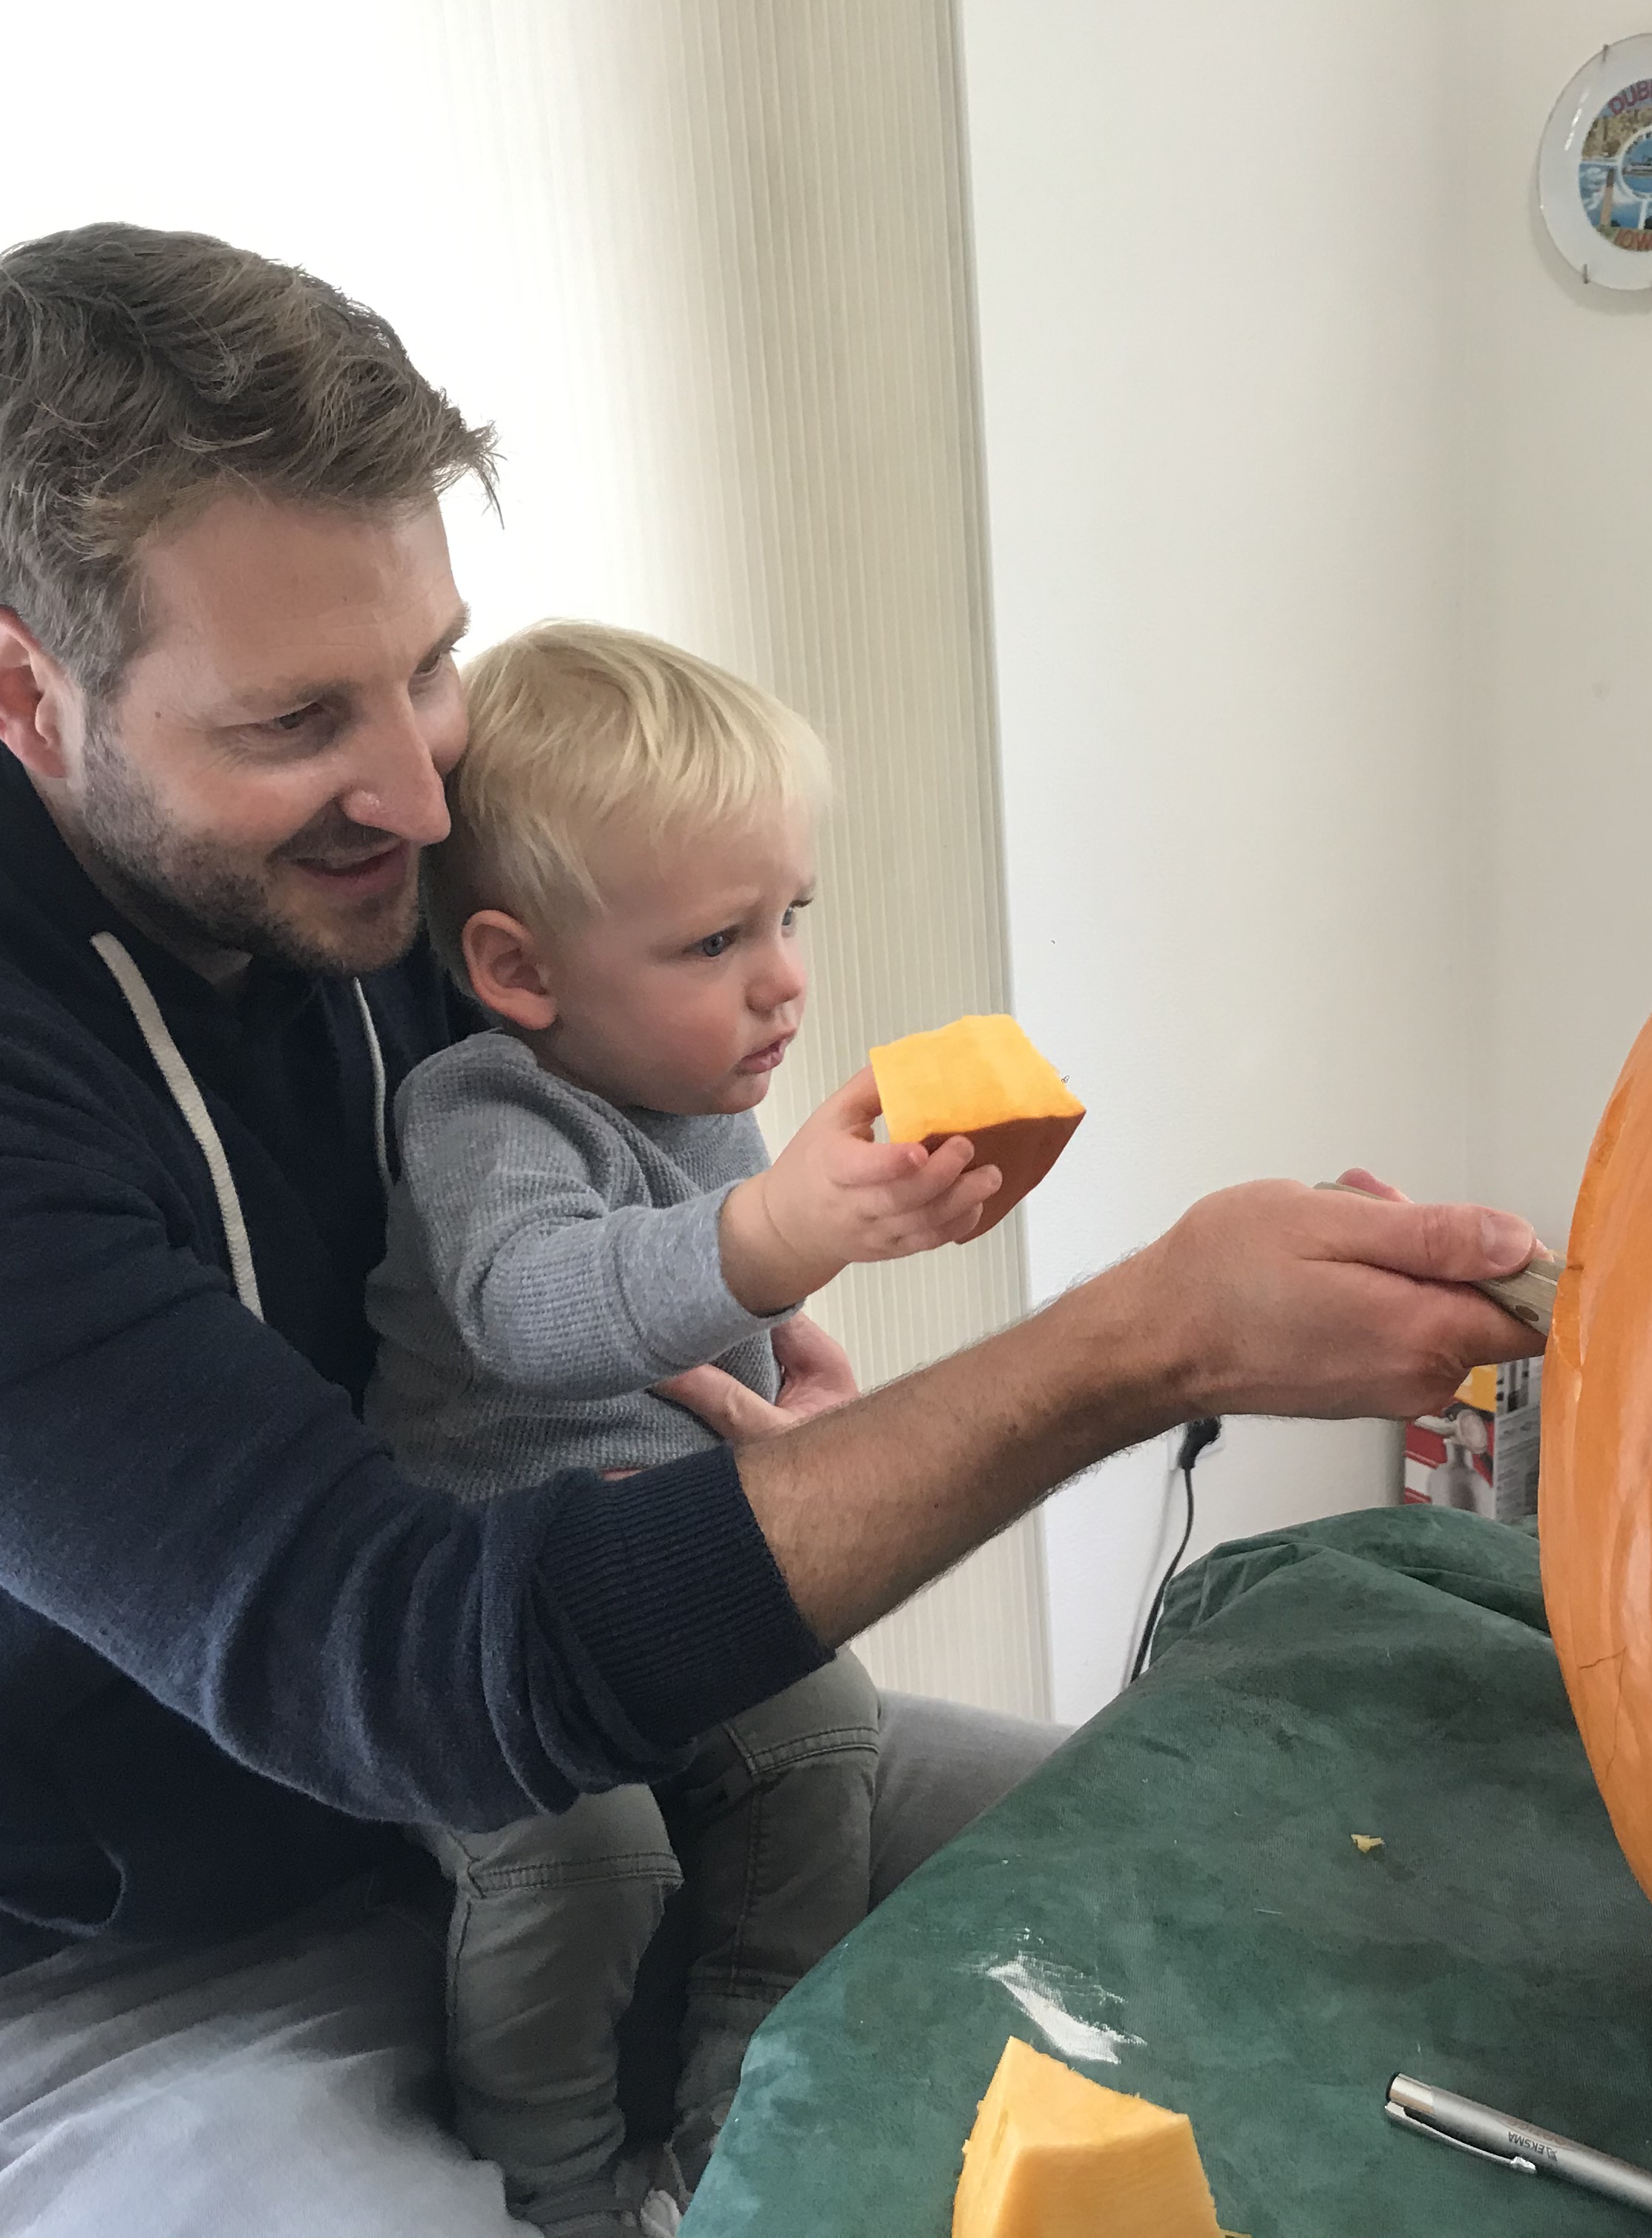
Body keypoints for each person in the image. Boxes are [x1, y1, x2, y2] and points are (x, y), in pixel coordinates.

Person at [0, 223, 1543, 2237]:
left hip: (506, 1784)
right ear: (26, 687)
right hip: (43, 1988)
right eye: (294, 724)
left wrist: (753, 1288)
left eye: (430, 667)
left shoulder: (373, 880)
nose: (421, 801)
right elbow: (411, 1669)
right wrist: (1135, 1345)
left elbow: (620, 1192)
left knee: (1236, 1905)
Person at [362, 622, 997, 2233]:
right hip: (494, 1610)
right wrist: (775, 1236)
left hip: (667, 1569)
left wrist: (797, 1390)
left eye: (789, 916)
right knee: (586, 1870)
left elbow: (723, 1330)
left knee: (824, 1738)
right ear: (519, 971)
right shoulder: (483, 1108)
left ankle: (736, 2139)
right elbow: (543, 1305)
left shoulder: (713, 1101)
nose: (783, 977)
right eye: (718, 940)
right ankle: (559, 2194)